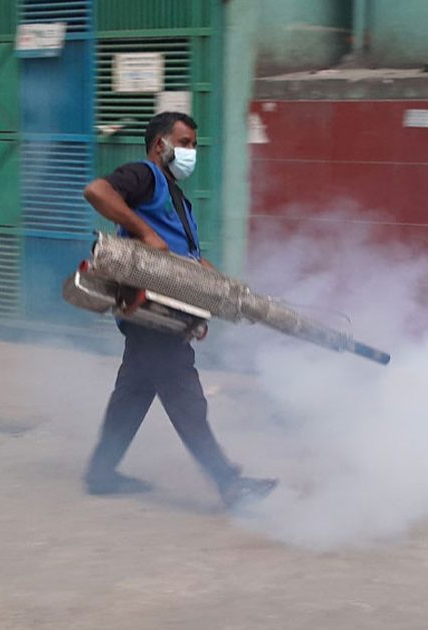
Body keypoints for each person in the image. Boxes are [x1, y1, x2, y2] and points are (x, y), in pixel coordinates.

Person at [81, 111, 276, 508]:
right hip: (148, 306)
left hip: (167, 311)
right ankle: (229, 484)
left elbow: (193, 263)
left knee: (133, 392)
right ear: (160, 146)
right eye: (185, 143)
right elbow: (97, 191)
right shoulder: (146, 176)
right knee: (185, 396)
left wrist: (221, 298)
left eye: (193, 145)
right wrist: (146, 232)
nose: (191, 152)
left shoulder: (180, 202)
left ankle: (101, 473)